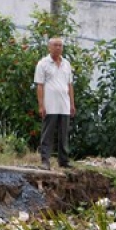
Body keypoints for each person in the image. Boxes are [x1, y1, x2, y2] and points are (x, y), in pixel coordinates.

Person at [34, 37, 75, 169]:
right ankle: (45, 160)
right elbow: (39, 86)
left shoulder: (66, 64)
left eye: (60, 46)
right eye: (55, 45)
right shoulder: (43, 64)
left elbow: (70, 85)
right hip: (50, 104)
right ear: (49, 47)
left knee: (64, 134)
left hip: (64, 104)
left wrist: (72, 104)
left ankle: (63, 160)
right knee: (48, 133)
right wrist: (41, 105)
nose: (58, 48)